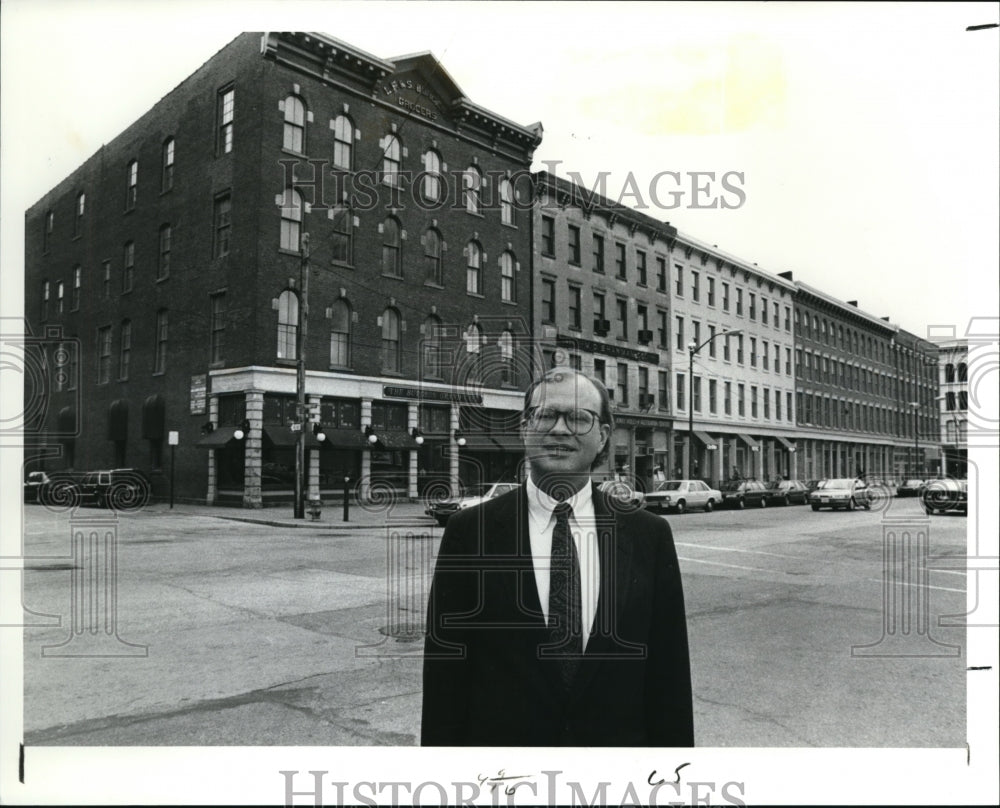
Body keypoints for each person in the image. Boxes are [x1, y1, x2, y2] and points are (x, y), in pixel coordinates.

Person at [421, 368, 694, 746]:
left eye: (580, 418)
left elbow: (670, 677)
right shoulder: (469, 532)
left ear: (603, 436)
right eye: (546, 415)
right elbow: (444, 681)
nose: (561, 430)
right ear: (524, 427)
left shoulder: (650, 535)